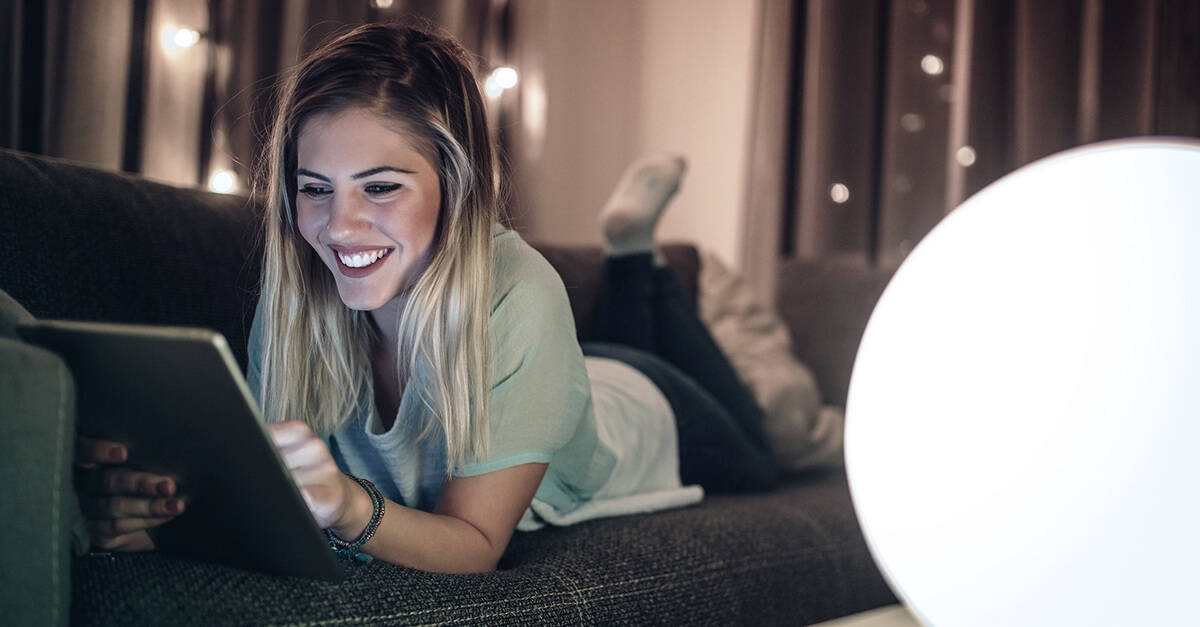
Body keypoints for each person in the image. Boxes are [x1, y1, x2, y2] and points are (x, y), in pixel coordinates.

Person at [73, 21, 774, 574]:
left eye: (380, 186)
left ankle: (632, 255)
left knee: (770, 454)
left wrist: (348, 504)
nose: (338, 225)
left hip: (649, 405)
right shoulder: (296, 300)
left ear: (457, 184)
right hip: (547, 378)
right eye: (315, 187)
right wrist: (146, 521)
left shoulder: (524, 289)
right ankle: (631, 254)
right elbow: (269, 502)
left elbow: (474, 543)